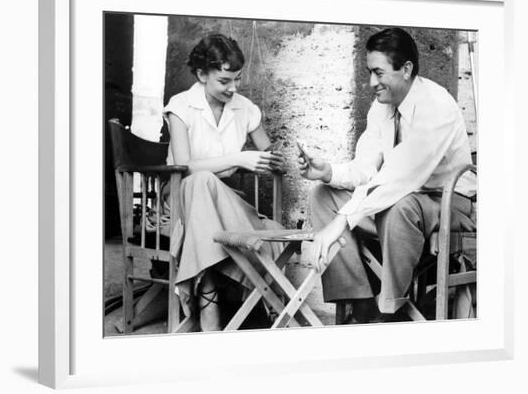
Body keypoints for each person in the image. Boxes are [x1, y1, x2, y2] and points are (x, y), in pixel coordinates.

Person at [299, 28, 476, 323]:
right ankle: (359, 301)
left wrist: (342, 220)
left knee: (398, 206)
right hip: (403, 196)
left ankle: (391, 311)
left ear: (405, 69)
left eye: (378, 73)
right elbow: (366, 170)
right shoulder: (381, 107)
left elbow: (401, 175)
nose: (371, 82)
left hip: (448, 202)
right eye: (369, 72)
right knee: (322, 195)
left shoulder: (436, 105)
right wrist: (328, 171)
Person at [163, 33, 284, 331]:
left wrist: (276, 161)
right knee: (201, 180)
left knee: (209, 185)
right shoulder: (180, 106)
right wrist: (238, 159)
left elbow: (268, 153)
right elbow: (185, 166)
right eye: (224, 81)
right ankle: (213, 301)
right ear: (202, 74)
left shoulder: (245, 108)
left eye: (237, 79)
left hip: (226, 199)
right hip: (182, 197)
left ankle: (208, 302)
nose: (233, 88)